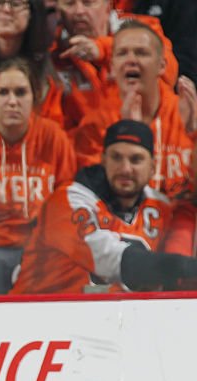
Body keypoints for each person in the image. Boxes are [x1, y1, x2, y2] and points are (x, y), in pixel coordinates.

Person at [13, 120, 197, 293]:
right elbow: (108, 259)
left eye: (136, 159)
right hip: (40, 312)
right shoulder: (67, 201)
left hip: (115, 316)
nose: (125, 169)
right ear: (103, 160)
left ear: (152, 167)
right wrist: (184, 267)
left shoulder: (162, 206)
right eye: (116, 157)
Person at [0, 58, 76, 293]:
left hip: (42, 248)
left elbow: (68, 202)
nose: (12, 101)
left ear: (35, 97)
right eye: (3, 92)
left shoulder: (53, 137)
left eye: (20, 92)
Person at [71, 21, 194, 198]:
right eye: (122, 53)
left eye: (141, 53)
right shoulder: (95, 125)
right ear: (112, 66)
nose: (131, 60)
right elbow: (95, 201)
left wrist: (194, 134)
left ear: (162, 66)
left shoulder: (187, 114)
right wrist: (129, 135)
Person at [51, 0, 176, 127]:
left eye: (88, 3)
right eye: (69, 4)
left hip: (148, 136)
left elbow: (168, 73)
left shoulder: (143, 29)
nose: (79, 11)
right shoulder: (51, 53)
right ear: (58, 11)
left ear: (108, 6)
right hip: (85, 142)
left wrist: (103, 50)